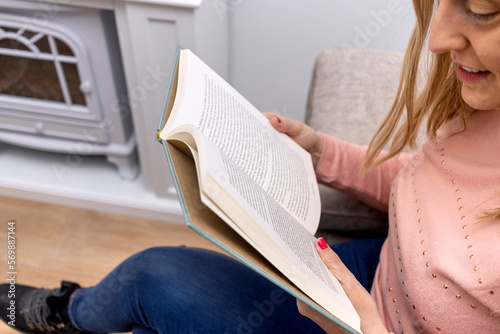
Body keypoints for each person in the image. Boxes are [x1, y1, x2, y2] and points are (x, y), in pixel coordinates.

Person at [1, 0, 500, 332]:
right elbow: (422, 182)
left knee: (150, 280)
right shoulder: (482, 101)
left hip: (368, 322)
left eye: (481, 10)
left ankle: (68, 316)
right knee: (151, 279)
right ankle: (73, 311)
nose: (436, 37)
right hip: (376, 266)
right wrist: (319, 151)